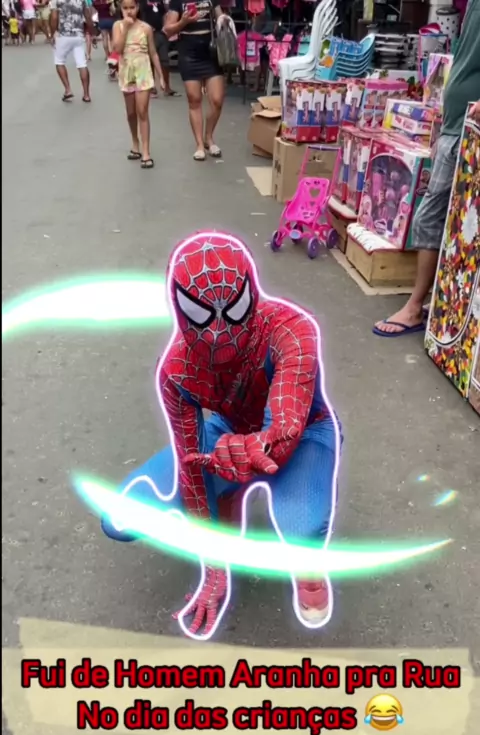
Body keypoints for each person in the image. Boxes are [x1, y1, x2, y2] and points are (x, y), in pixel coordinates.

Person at [100, 232, 342, 640]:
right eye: (199, 313)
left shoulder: (291, 328)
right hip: (230, 430)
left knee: (301, 527)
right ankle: (228, 499)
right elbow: (191, 470)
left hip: (305, 432)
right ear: (179, 307)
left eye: (234, 308)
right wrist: (214, 572)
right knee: (121, 519)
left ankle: (308, 565)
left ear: (251, 292)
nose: (217, 331)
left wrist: (249, 452)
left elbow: (286, 424)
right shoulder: (176, 372)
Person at [374, 0, 480, 338]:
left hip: (468, 129)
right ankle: (439, 306)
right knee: (446, 220)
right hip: (455, 125)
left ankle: (415, 306)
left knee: (436, 217)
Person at [163, 0, 227, 160]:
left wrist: (224, 20)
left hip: (211, 52)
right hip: (189, 54)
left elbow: (221, 18)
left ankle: (208, 137)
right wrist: (184, 21)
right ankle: (199, 144)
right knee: (194, 99)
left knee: (217, 100)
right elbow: (168, 30)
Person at [112, 0, 165, 168]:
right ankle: (135, 142)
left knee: (142, 111)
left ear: (137, 8)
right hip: (126, 72)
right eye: (125, 8)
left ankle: (146, 151)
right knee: (131, 113)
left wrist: (161, 76)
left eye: (132, 8)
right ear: (121, 9)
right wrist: (126, 28)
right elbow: (117, 49)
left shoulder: (146, 28)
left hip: (143, 72)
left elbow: (153, 53)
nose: (129, 11)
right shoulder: (118, 26)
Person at [50, 0, 93, 102]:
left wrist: (52, 33)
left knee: (59, 61)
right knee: (82, 64)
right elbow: (87, 16)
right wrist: (92, 32)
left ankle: (68, 90)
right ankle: (86, 95)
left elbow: (54, 17)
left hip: (63, 35)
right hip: (79, 35)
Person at [139, 0, 178, 96]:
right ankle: (152, 87)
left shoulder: (160, 2)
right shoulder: (142, 2)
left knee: (165, 61)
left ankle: (166, 86)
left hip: (160, 33)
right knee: (150, 61)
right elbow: (140, 15)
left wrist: (165, 28)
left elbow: (164, 14)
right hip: (147, 34)